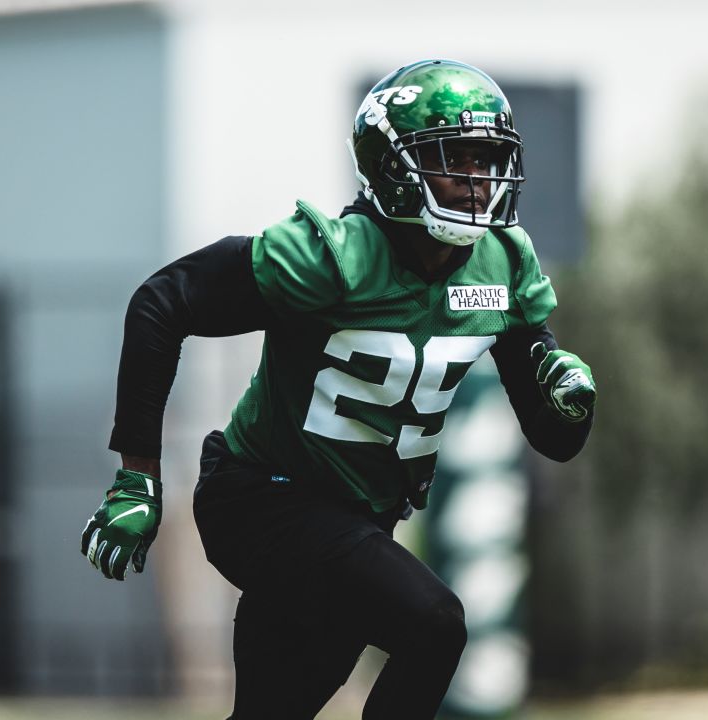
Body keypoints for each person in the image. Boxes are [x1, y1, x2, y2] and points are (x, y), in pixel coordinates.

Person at [80, 59, 597, 719]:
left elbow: (553, 439)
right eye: (454, 160)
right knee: (434, 623)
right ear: (390, 168)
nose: (476, 183)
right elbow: (163, 302)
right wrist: (137, 477)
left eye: (487, 160)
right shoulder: (333, 258)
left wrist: (568, 396)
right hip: (261, 502)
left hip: (357, 524)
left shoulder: (502, 264)